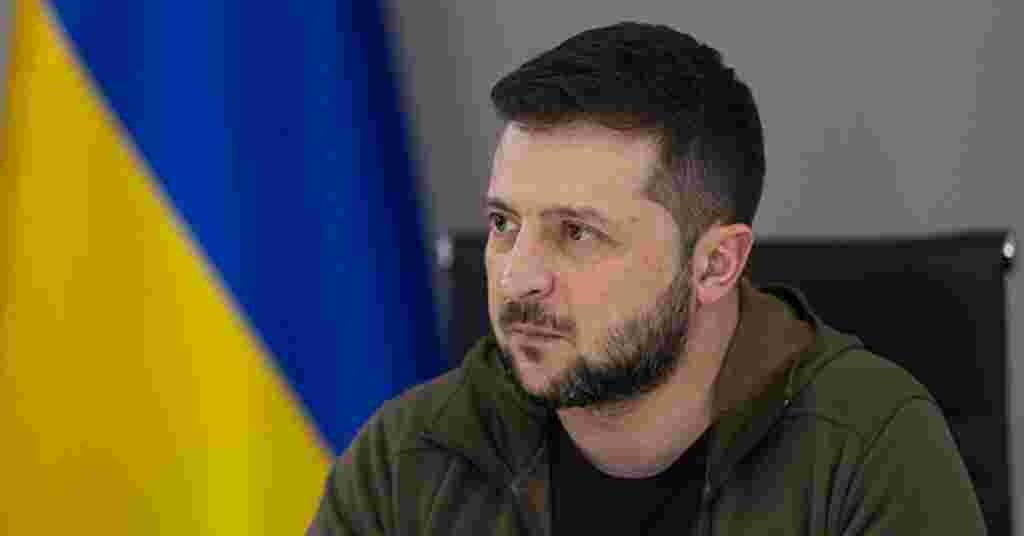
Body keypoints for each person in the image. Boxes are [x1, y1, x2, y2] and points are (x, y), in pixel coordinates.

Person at [308, 22, 986, 535]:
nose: (517, 279)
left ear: (715, 265)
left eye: (577, 232)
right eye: (504, 223)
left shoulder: (867, 449)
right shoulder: (407, 458)